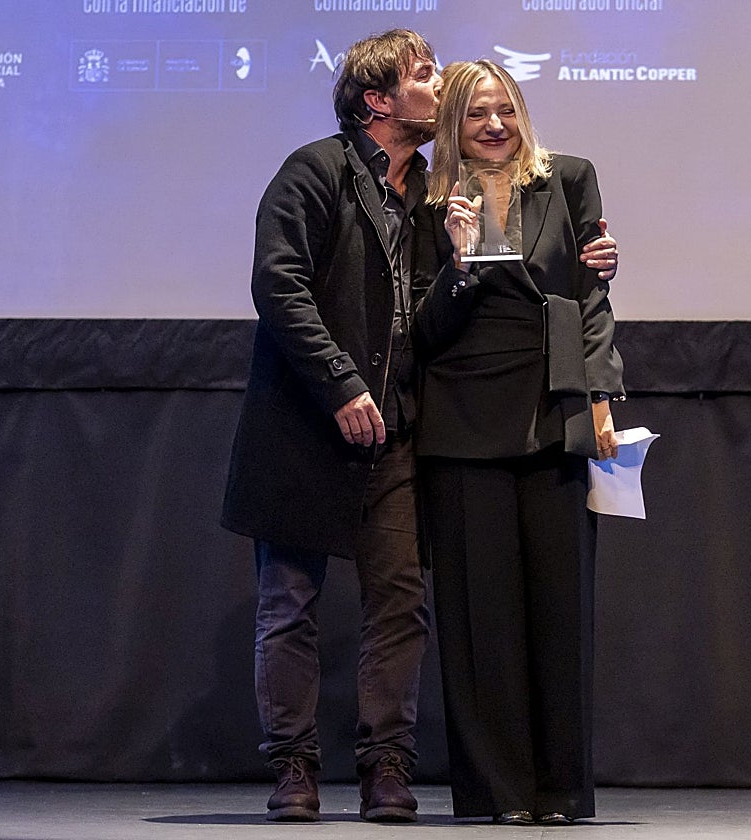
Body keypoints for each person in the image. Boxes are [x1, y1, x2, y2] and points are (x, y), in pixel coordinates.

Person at [222, 30, 620, 823]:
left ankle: (387, 770)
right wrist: (340, 382)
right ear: (378, 99)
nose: (443, 89)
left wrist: (592, 293)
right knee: (290, 602)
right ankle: (294, 767)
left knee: (401, 604)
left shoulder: (427, 190)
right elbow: (280, 285)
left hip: (400, 423)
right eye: (426, 76)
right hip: (311, 420)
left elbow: (548, 293)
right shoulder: (317, 171)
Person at [411, 59, 625, 825]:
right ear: (452, 125)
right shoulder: (424, 199)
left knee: (560, 612)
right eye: (476, 114)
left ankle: (560, 791)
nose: (494, 125)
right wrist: (458, 265)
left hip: (553, 409)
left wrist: (600, 396)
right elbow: (423, 332)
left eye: (505, 109)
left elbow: (592, 299)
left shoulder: (569, 178)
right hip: (462, 419)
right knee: (481, 621)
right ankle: (496, 793)